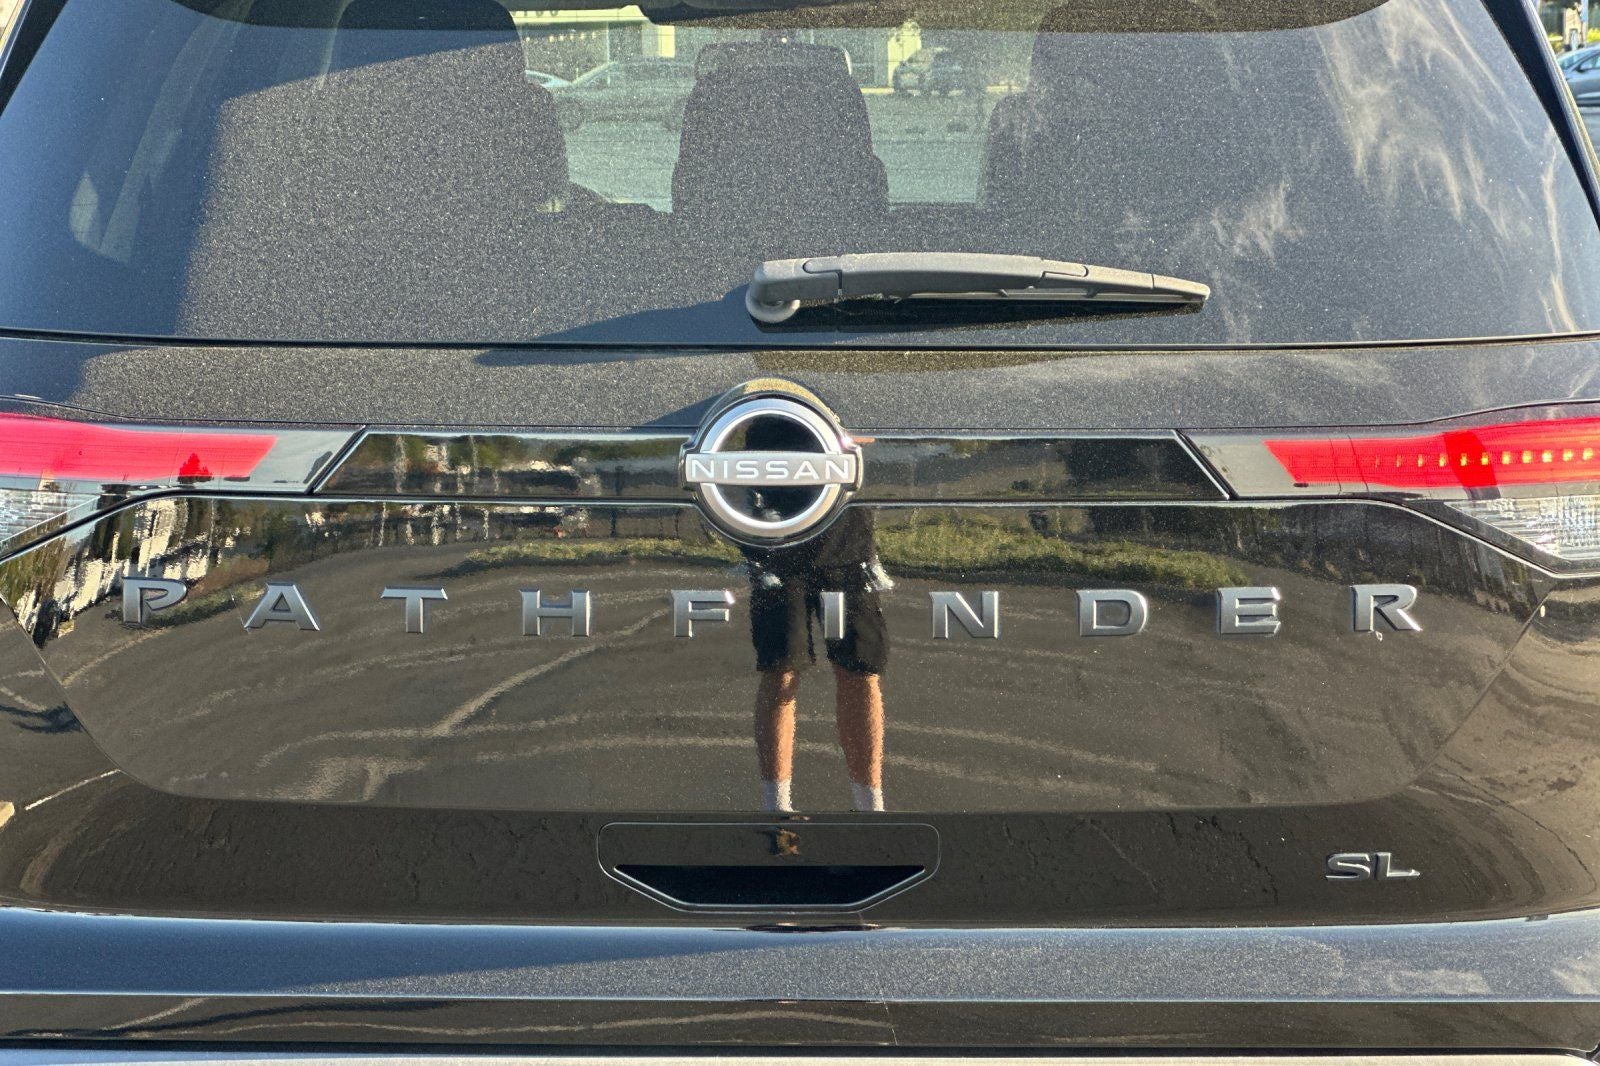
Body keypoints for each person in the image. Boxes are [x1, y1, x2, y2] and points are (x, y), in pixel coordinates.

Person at [740, 422, 890, 814]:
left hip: (845, 522)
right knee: (781, 668)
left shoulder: (847, 382)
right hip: (774, 524)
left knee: (860, 667)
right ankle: (777, 811)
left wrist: (842, 432)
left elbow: (870, 425)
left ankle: (871, 811)